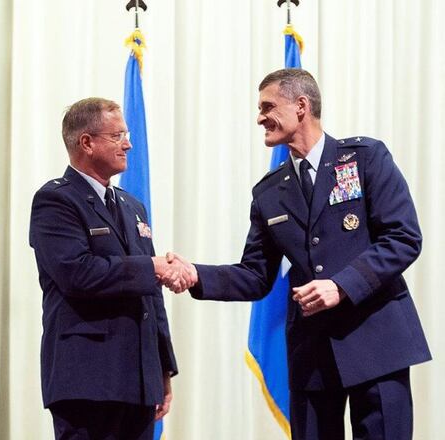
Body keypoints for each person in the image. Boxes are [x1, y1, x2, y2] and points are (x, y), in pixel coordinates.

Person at [173, 68, 431, 439]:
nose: (260, 117)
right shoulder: (268, 192)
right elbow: (255, 275)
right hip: (312, 355)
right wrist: (196, 274)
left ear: (301, 106)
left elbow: (403, 237)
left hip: (376, 341)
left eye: (267, 106)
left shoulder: (364, 158)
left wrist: (340, 286)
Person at [29, 97, 181, 440]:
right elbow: (77, 273)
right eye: (117, 135)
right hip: (86, 378)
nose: (128, 143)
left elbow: (150, 293)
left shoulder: (132, 206)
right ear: (87, 142)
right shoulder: (55, 200)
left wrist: (163, 367)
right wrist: (151, 267)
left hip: (138, 379)